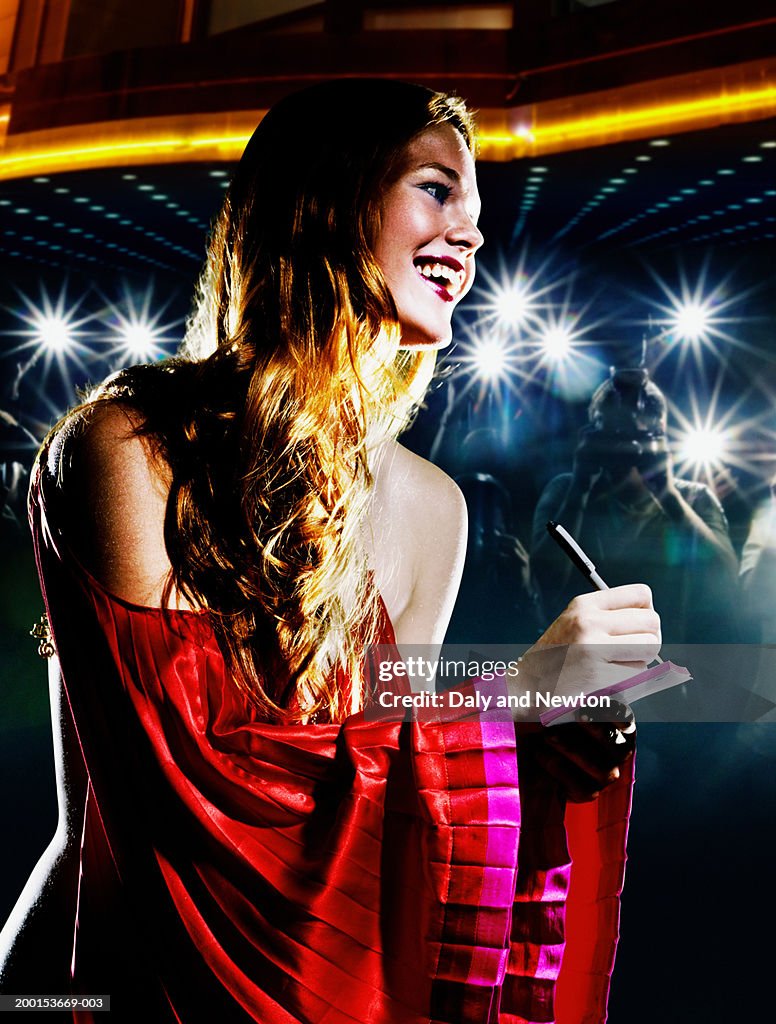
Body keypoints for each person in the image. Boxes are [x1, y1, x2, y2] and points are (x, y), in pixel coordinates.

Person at [0, 81, 660, 1023]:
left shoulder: (435, 509)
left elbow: (395, 814)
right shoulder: (125, 450)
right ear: (330, 202)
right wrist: (509, 706)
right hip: (90, 980)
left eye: (476, 215)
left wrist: (548, 744)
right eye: (437, 190)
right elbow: (202, 799)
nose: (470, 238)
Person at [531, 367, 739, 644]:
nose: (622, 448)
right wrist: (580, 489)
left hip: (663, 663)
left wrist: (667, 495)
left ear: (659, 436)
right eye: (612, 435)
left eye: (633, 436)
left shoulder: (694, 499)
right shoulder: (565, 491)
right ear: (592, 435)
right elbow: (543, 581)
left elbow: (725, 581)